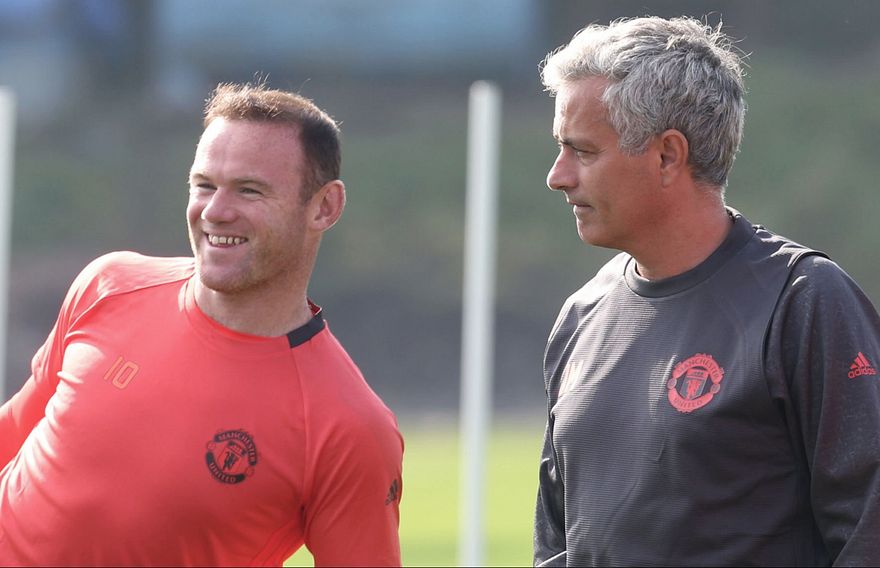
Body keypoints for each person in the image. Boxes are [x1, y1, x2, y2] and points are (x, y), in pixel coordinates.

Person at [0, 82, 404, 566]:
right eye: (204, 185)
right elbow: (14, 431)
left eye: (249, 190)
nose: (215, 211)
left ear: (324, 207)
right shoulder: (109, 285)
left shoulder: (349, 427)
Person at [534, 16, 880, 567]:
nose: (558, 176)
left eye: (584, 151)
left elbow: (869, 531)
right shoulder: (581, 316)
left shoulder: (802, 300)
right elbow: (557, 544)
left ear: (668, 155)